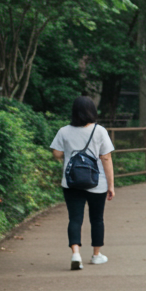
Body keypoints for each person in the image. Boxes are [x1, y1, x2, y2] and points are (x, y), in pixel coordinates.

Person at [50, 96, 115, 271]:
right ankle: (96, 255)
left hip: (71, 183)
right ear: (92, 111)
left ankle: (76, 254)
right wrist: (111, 185)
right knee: (97, 219)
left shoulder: (64, 131)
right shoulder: (99, 131)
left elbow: (56, 153)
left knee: (75, 218)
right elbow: (106, 158)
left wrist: (70, 154)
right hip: (97, 182)